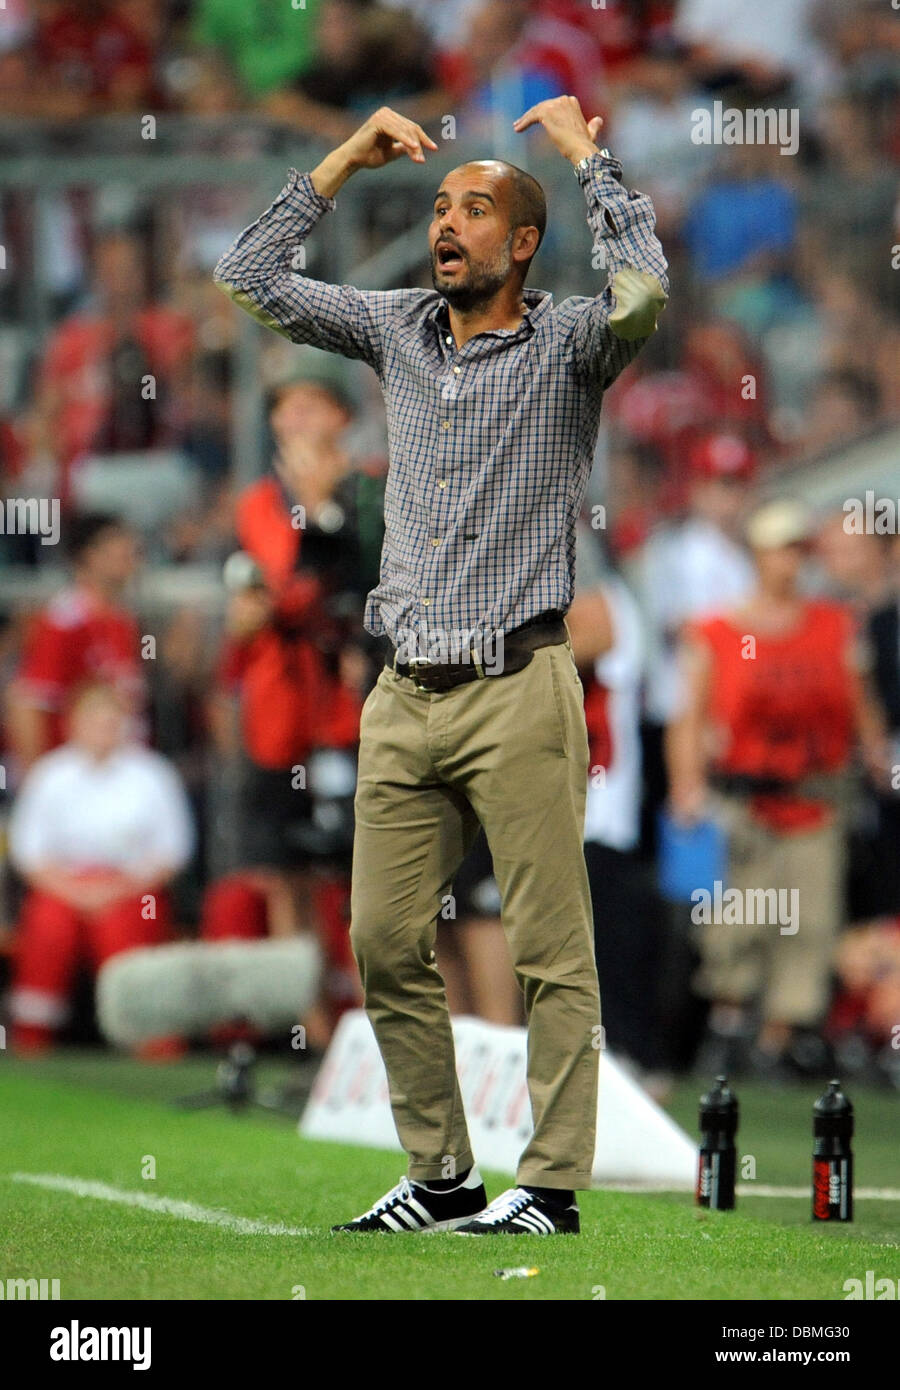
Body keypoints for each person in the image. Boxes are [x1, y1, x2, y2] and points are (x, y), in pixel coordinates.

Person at [214, 98, 668, 1234]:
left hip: (522, 685)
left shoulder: (571, 341)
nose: (446, 224)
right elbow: (248, 276)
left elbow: (647, 294)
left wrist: (585, 160)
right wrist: (342, 162)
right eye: (436, 206)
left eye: (475, 208)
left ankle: (551, 1186)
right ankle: (444, 1172)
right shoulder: (397, 328)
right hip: (403, 692)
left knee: (550, 951)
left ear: (524, 243)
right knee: (380, 937)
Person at [666, 498, 889, 1079]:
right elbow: (689, 716)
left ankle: (778, 1039)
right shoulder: (717, 630)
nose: (791, 562)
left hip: (815, 797)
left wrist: (878, 766)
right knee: (735, 922)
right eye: (780, 549)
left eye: (798, 549)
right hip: (743, 800)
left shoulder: (833, 625)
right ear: (758, 555)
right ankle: (729, 1027)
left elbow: (862, 711)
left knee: (809, 921)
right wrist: (686, 786)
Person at [6, 682, 194, 1052]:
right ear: (73, 724)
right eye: (93, 721)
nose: (103, 730)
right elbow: (28, 852)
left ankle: (152, 1038)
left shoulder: (152, 774)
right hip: (63, 885)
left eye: (111, 721)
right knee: (48, 923)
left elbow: (173, 851)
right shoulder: (50, 774)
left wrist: (117, 889)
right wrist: (75, 891)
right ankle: (32, 1038)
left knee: (128, 926)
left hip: (132, 888)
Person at [6, 512, 145, 773]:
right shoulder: (64, 621)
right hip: (76, 775)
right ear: (90, 555)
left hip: (119, 771)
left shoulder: (123, 620)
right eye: (119, 545)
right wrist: (38, 781)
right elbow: (27, 703)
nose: (130, 554)